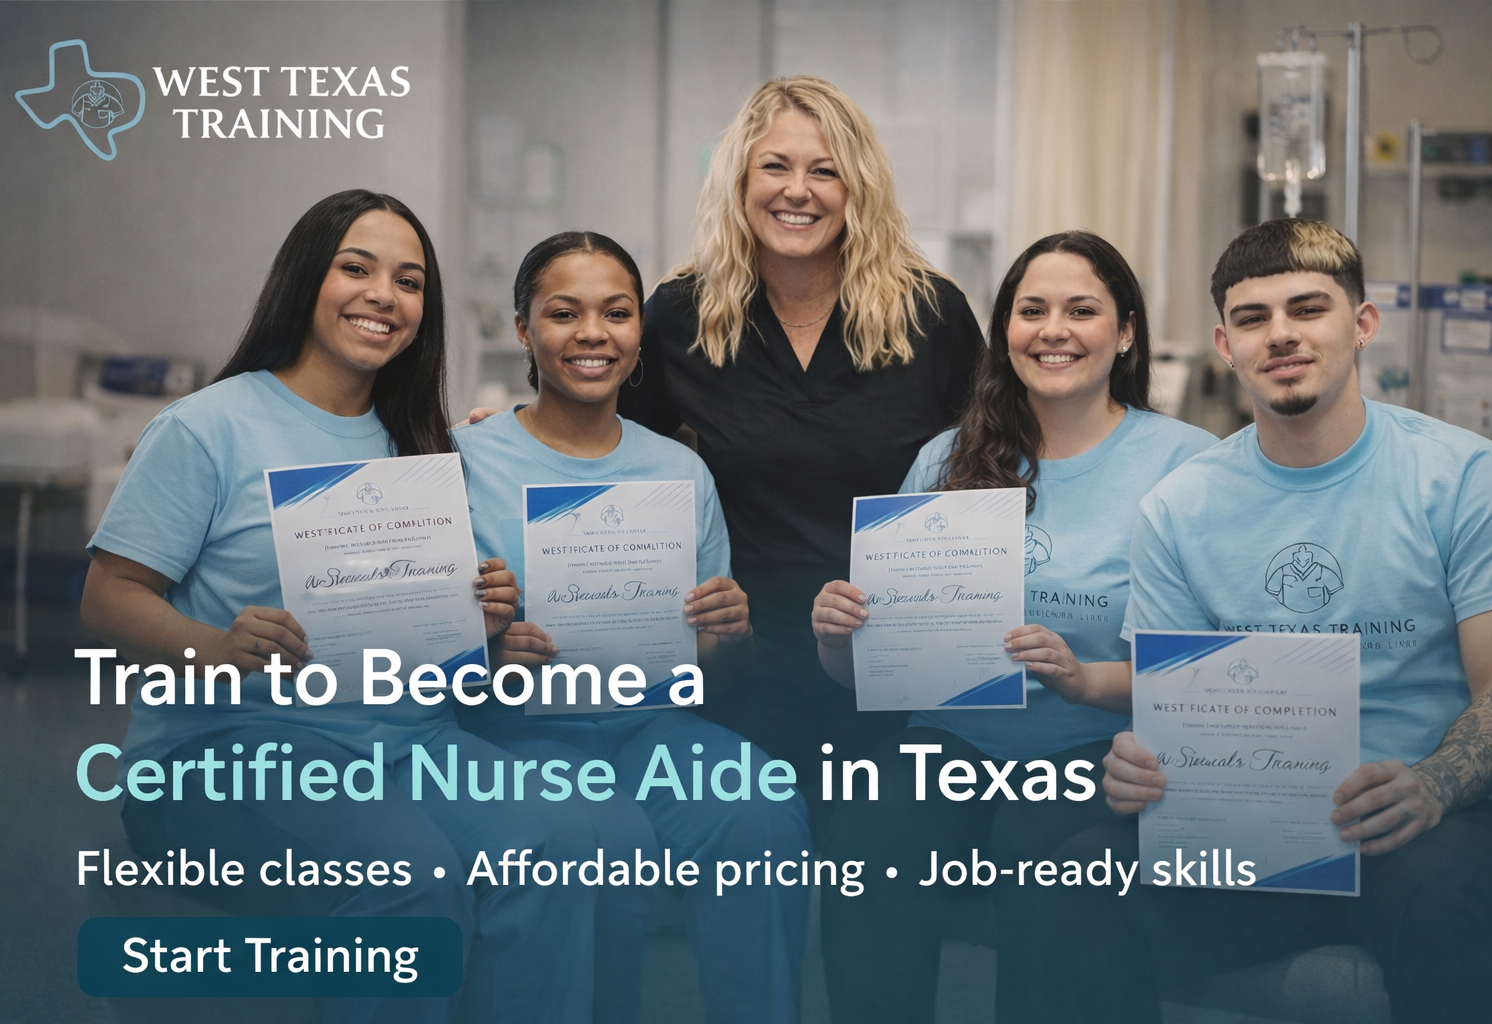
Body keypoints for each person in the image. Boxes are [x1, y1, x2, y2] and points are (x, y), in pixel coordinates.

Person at [80, 190, 597, 1024]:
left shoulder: (422, 444)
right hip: (229, 750)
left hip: (408, 742)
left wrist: (479, 621)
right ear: (305, 279)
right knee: (412, 880)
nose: (383, 296)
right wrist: (217, 647)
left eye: (409, 281)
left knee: (565, 848)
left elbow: (430, 635)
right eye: (356, 268)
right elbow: (108, 599)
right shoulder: (208, 428)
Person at [1043, 218, 1492, 1024]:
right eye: (1253, 319)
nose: (1281, 334)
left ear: (1362, 324)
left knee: (1448, 904)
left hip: (1416, 820)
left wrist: (1433, 785)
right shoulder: (1181, 507)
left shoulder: (1461, 478)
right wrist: (1138, 763)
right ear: (1226, 344)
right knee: (1080, 884)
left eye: (1308, 309)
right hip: (1248, 824)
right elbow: (1169, 698)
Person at [809, 232, 1217, 1024]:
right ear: (1004, 332)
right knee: (866, 834)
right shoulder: (946, 458)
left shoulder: (1187, 463)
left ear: (1126, 332)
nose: (1053, 330)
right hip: (953, 742)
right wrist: (837, 636)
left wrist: (1079, 679)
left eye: (1081, 310)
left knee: (1039, 850)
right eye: (1031, 311)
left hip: (1097, 746)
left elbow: (1204, 670)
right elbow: (869, 674)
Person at [454, 231, 812, 1024]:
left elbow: (713, 669)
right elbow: (413, 640)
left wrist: (730, 632)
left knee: (760, 805)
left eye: (616, 313)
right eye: (564, 313)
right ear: (523, 330)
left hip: (653, 727)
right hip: (515, 733)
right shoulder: (460, 462)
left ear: (640, 333)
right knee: (601, 839)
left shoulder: (679, 471)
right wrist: (486, 648)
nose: (593, 334)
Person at [618, 76, 985, 805]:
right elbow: (615, 448)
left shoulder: (929, 313)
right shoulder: (684, 313)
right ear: (740, 181)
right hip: (741, 656)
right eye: (775, 166)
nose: (798, 190)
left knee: (868, 856)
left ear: (857, 188)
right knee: (757, 847)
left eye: (824, 170)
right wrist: (520, 430)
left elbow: (993, 462)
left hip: (893, 657)